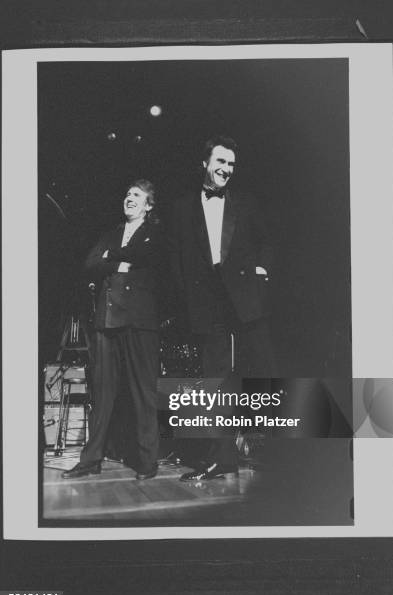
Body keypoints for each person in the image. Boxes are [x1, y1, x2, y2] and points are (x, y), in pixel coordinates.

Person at [169, 135, 276, 481]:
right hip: (207, 303)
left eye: (231, 164)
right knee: (215, 382)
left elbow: (268, 242)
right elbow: (177, 260)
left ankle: (276, 454)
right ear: (205, 163)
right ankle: (223, 458)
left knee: (259, 376)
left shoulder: (246, 202)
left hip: (245, 300)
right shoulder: (183, 207)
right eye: (220, 162)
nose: (226, 169)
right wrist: (188, 298)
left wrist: (261, 271)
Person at [62, 179, 161, 480]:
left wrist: (112, 258)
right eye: (127, 194)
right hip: (106, 320)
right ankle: (91, 460)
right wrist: (119, 263)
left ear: (148, 205)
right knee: (102, 394)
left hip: (139, 320)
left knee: (143, 393)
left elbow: (148, 257)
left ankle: (147, 462)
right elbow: (90, 263)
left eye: (136, 195)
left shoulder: (155, 232)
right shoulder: (111, 233)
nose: (129, 198)